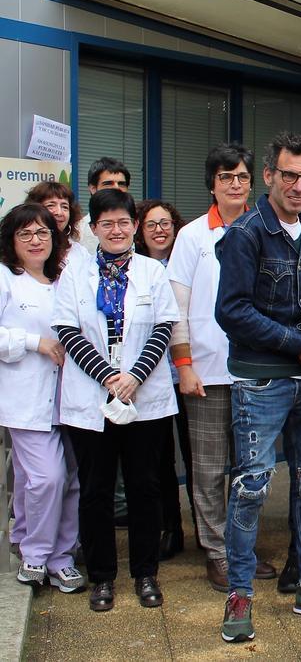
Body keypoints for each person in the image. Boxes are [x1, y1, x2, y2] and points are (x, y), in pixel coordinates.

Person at [215, 132, 301, 643]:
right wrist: (296, 345)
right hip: (263, 381)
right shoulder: (246, 233)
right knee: (252, 485)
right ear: (270, 177)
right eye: (288, 175)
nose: (297, 185)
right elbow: (230, 311)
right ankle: (239, 593)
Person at [52, 188, 179, 611]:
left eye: (124, 222)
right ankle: (102, 578)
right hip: (92, 398)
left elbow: (163, 327)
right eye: (106, 223)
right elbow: (67, 331)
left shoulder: (151, 271)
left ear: (135, 227)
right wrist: (108, 376)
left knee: (145, 488)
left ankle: (146, 574)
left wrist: (135, 376)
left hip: (145, 397)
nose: (116, 229)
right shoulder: (75, 273)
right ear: (93, 229)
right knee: (95, 491)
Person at [166, 142, 276, 593]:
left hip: (257, 369)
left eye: (242, 177)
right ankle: (217, 552)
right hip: (207, 373)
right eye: (226, 177)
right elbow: (177, 307)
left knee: (252, 469)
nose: (235, 184)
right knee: (209, 470)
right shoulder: (193, 236)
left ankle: (242, 547)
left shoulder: (265, 229)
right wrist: (184, 365)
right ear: (212, 185)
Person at [1, 203, 84, 593]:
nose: (36, 241)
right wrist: (36, 343)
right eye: (26, 234)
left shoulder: (64, 280)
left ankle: (61, 557)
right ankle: (35, 555)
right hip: (26, 399)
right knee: (46, 478)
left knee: (69, 479)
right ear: (11, 241)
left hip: (69, 397)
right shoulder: (6, 279)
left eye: (43, 233)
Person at [134, 199, 193, 561]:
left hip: (186, 371)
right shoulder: (135, 268)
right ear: (140, 231)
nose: (160, 229)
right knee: (159, 461)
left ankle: (207, 532)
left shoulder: (185, 261)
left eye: (166, 222)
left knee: (195, 456)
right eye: (151, 224)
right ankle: (171, 527)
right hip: (152, 376)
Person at [25, 181, 90, 266]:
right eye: (50, 206)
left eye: (65, 207)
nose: (59, 212)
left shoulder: (79, 252)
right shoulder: (25, 248)